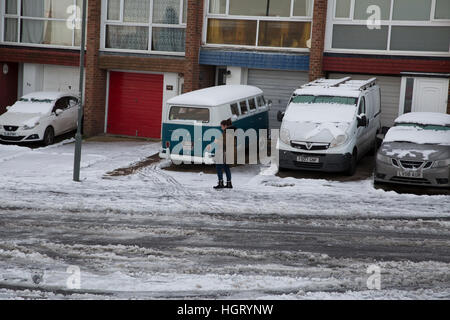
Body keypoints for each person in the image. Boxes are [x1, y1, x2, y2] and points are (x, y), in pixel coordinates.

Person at [214, 119, 236, 189]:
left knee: (218, 167)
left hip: (225, 152)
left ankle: (221, 183)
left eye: (221, 126)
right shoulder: (230, 132)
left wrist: (217, 141)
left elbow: (226, 144)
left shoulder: (227, 133)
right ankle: (229, 183)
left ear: (225, 126)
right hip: (229, 152)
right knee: (226, 167)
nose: (221, 128)